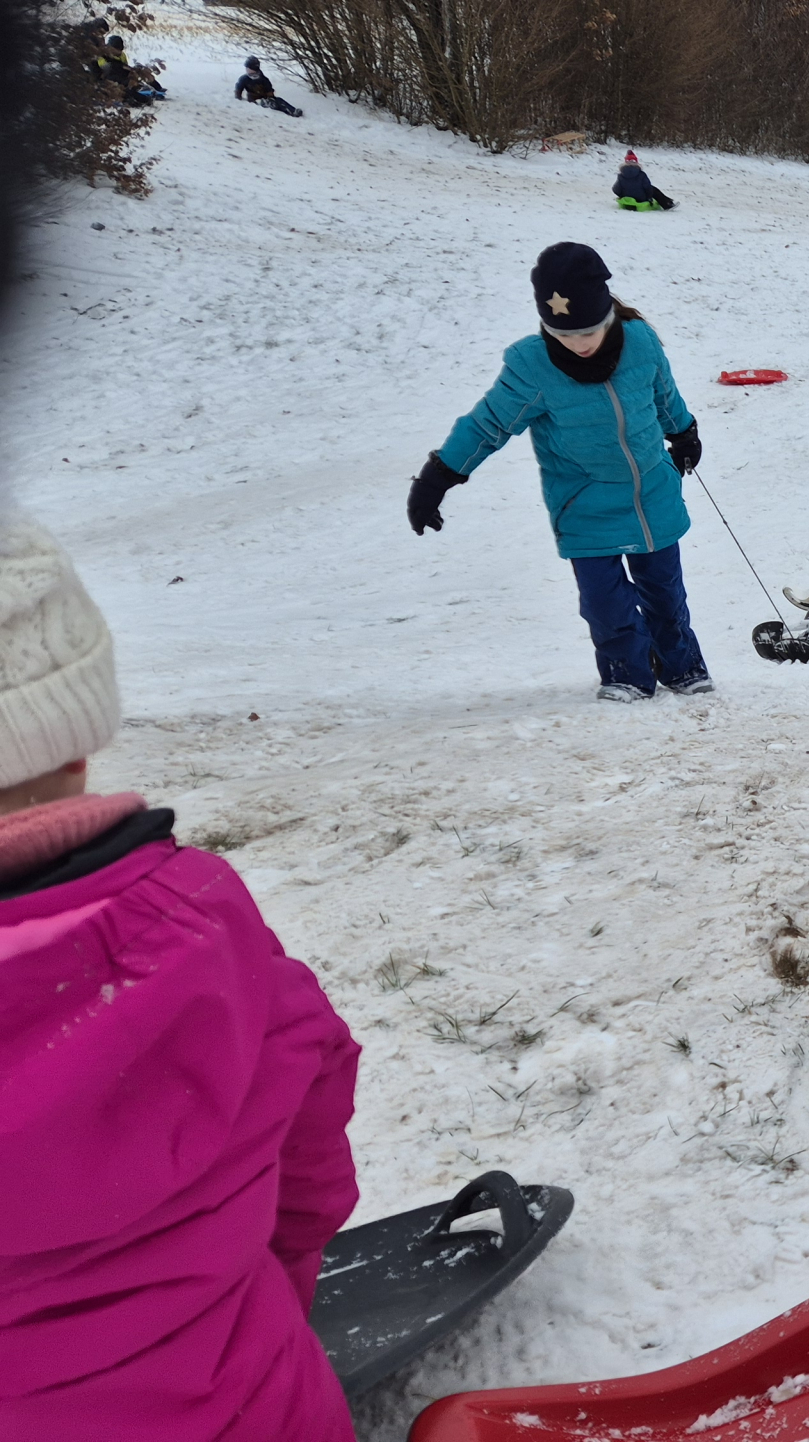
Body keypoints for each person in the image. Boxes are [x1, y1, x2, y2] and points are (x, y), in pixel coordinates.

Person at [0, 518, 361, 1442]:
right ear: (77, 744)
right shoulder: (205, 922)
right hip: (256, 1405)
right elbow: (309, 1161)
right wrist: (264, 1305)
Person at [408, 242, 711, 702]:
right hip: (584, 504)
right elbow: (486, 425)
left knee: (667, 597)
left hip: (653, 494)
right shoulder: (533, 367)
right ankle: (626, 673)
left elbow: (664, 396)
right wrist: (437, 478)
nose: (579, 344)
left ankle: (682, 665)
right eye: (564, 334)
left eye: (588, 331)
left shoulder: (641, 342)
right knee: (606, 607)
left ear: (608, 313)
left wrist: (684, 432)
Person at [233, 56, 302, 116]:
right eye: (247, 68)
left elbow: (269, 89)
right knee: (267, 103)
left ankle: (292, 111)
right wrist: (238, 96)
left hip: (266, 98)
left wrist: (270, 97)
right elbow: (238, 89)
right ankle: (284, 109)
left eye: (249, 68)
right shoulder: (244, 79)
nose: (247, 70)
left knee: (278, 100)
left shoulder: (263, 79)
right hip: (254, 100)